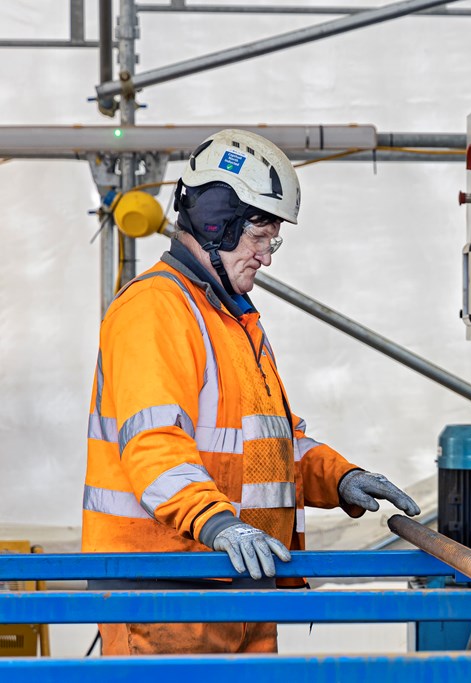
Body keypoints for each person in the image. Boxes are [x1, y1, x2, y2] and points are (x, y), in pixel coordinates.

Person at [82, 129, 421, 655]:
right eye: (260, 238)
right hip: (172, 595)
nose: (266, 257)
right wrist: (219, 525)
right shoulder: (155, 310)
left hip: (239, 582)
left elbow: (269, 446)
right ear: (217, 221)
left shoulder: (233, 321)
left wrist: (341, 478)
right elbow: (155, 447)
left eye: (272, 240)